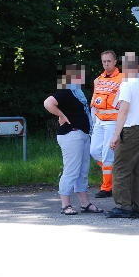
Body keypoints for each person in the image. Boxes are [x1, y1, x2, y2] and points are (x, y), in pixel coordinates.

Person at [43, 64, 103, 215]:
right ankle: (65, 205)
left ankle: (85, 203)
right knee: (71, 170)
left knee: (83, 171)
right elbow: (48, 103)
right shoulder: (65, 91)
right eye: (78, 74)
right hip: (71, 135)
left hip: (82, 134)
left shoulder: (78, 92)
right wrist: (61, 116)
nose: (81, 76)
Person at [107, 53, 139, 218]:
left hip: (130, 130)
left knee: (121, 168)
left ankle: (123, 206)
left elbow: (123, 110)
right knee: (137, 169)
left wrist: (115, 135)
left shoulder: (127, 85)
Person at [89, 50, 123, 198]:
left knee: (107, 154)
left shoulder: (123, 78)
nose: (106, 64)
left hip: (113, 122)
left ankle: (107, 187)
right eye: (104, 61)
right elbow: (94, 102)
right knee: (94, 151)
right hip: (99, 121)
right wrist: (93, 121)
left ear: (115, 62)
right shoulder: (98, 80)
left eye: (109, 61)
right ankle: (115, 176)